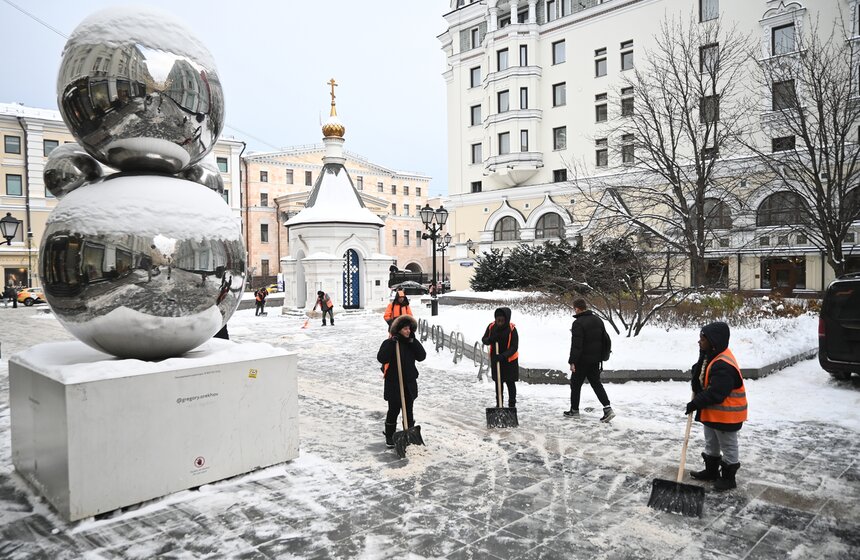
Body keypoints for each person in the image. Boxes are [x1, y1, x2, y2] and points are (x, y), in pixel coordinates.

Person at [686, 321, 747, 491]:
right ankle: (711, 471)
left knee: (728, 446)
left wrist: (695, 404)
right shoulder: (712, 355)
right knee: (711, 442)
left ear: (713, 341)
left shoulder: (724, 364)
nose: (699, 342)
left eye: (702, 339)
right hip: (714, 413)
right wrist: (697, 369)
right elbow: (703, 376)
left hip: (727, 415)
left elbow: (716, 393)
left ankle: (728, 478)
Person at [377, 315, 426, 447]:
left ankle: (409, 433)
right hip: (394, 383)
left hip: (409, 383)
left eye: (409, 329)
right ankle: (389, 436)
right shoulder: (390, 343)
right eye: (405, 329)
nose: (408, 331)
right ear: (398, 330)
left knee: (409, 410)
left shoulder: (411, 343)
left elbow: (422, 356)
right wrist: (392, 343)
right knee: (393, 410)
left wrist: (414, 341)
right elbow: (381, 358)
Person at [566, 298, 614, 422]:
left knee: (575, 385)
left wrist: (572, 361)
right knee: (596, 384)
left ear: (577, 308)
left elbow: (577, 345)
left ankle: (574, 410)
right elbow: (604, 340)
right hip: (595, 360)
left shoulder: (578, 323)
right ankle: (608, 408)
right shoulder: (598, 320)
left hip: (582, 361)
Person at [481, 307, 519, 408]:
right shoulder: (491, 327)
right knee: (498, 383)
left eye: (502, 320)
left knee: (510, 383)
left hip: (510, 361)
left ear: (506, 319)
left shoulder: (512, 329)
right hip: (496, 360)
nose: (500, 322)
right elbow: (484, 339)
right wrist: (490, 339)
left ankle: (511, 406)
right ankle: (499, 404)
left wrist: (503, 356)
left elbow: (514, 347)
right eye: (498, 319)